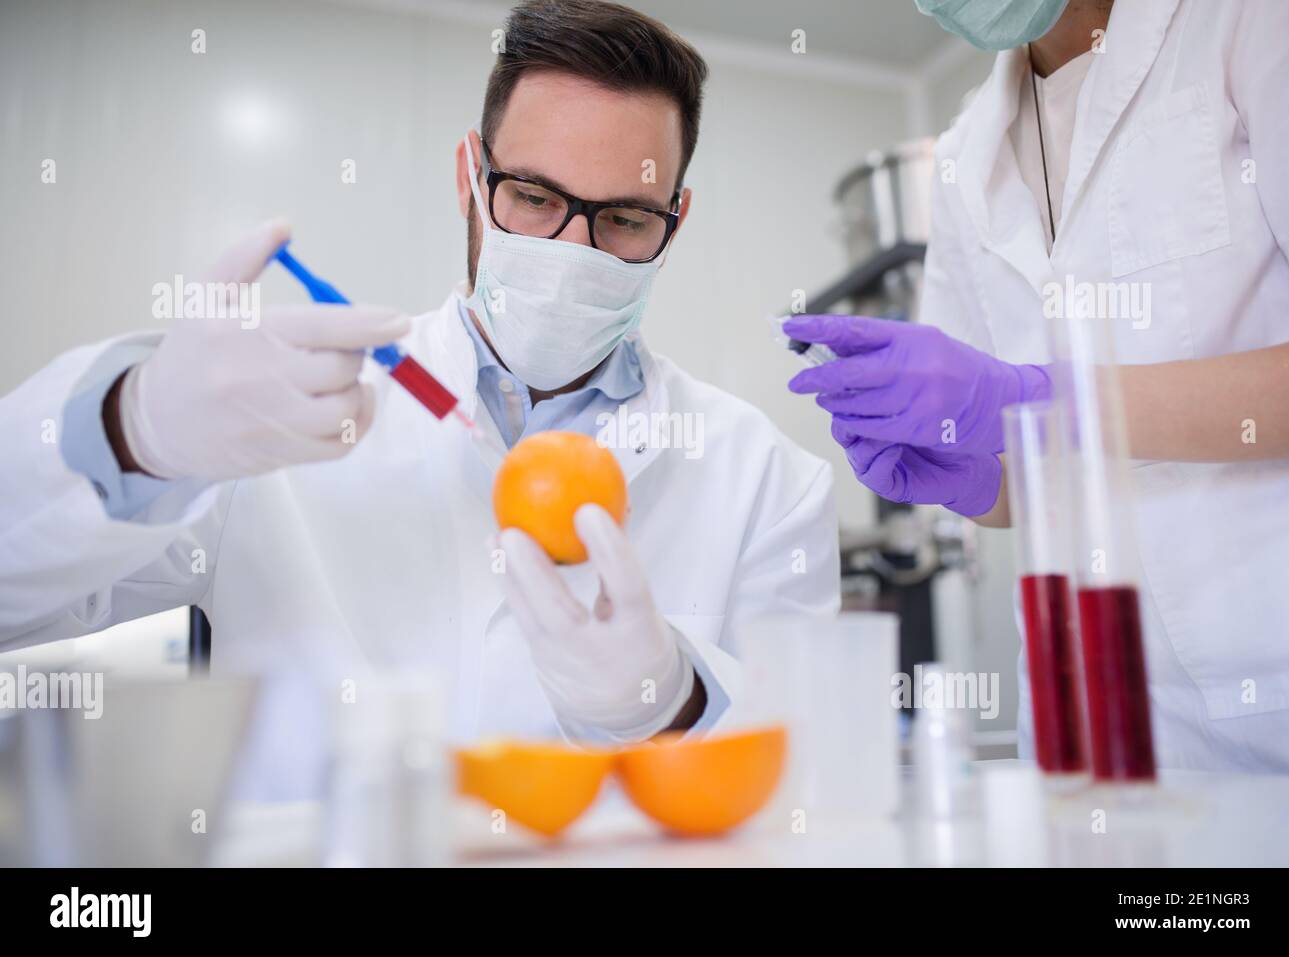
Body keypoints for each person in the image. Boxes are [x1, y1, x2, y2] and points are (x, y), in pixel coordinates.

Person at [0, 0, 838, 757]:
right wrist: (130, 433)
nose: (572, 253)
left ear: (675, 220)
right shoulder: (279, 414)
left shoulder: (765, 480)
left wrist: (674, 703)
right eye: (535, 197)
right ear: (470, 176)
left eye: (624, 218)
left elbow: (815, 786)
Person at [787, 0, 1289, 773]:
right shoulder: (965, 156)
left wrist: (1033, 402)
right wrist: (962, 470)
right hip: (1086, 723)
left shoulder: (1248, 21)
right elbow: (1015, 487)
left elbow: (1029, 402)